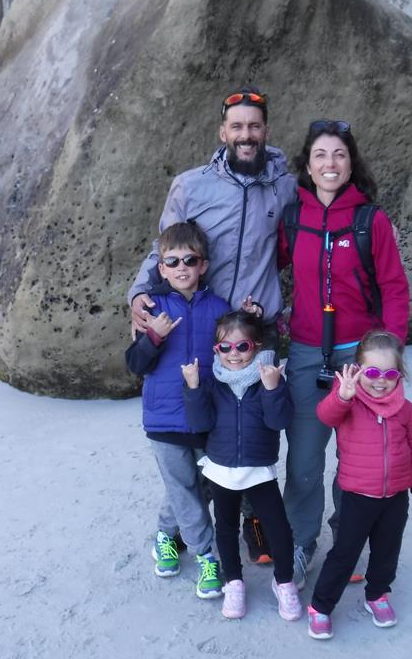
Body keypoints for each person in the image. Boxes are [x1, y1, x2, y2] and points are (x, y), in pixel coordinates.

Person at [129, 87, 297, 563]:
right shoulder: (191, 185)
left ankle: (255, 523)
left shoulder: (283, 185)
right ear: (223, 132)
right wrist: (138, 295)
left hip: (260, 332)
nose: (247, 135)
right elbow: (162, 247)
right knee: (213, 440)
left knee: (257, 433)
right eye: (237, 126)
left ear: (266, 131)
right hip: (209, 335)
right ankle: (180, 524)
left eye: (255, 126)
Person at [277, 119, 410, 586]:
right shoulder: (293, 217)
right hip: (307, 351)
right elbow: (261, 266)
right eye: (320, 155)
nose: (330, 163)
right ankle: (298, 545)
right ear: (307, 167)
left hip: (359, 355)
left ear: (351, 164)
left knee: (355, 461)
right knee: (305, 460)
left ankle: (346, 545)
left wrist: (389, 351)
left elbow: (394, 287)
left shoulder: (370, 220)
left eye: (338, 154)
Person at [305, 330, 412, 640]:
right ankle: (320, 607)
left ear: (399, 374)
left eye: (389, 373)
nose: (380, 380)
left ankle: (377, 594)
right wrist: (342, 395)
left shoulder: (405, 409)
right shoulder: (349, 402)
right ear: (358, 371)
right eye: (372, 372)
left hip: (396, 495)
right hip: (357, 496)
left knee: (387, 550)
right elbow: (326, 415)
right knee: (344, 553)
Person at [125, 222, 228, 599]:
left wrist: (249, 316)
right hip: (164, 418)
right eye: (173, 261)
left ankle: (165, 534)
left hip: (205, 415)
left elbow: (233, 352)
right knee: (184, 488)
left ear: (203, 265)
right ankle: (206, 556)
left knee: (199, 486)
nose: (182, 267)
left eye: (190, 260)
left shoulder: (219, 308)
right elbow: (136, 364)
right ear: (161, 268)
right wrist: (154, 337)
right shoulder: (150, 307)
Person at [181, 311, 302, 621]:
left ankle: (284, 582)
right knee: (226, 528)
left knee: (278, 528)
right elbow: (200, 424)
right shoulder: (212, 384)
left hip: (259, 469)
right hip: (221, 470)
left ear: (257, 346)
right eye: (225, 348)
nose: (233, 354)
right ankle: (234, 582)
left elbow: (279, 421)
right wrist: (193, 388)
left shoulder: (268, 378)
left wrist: (273, 387)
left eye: (242, 347)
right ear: (215, 350)